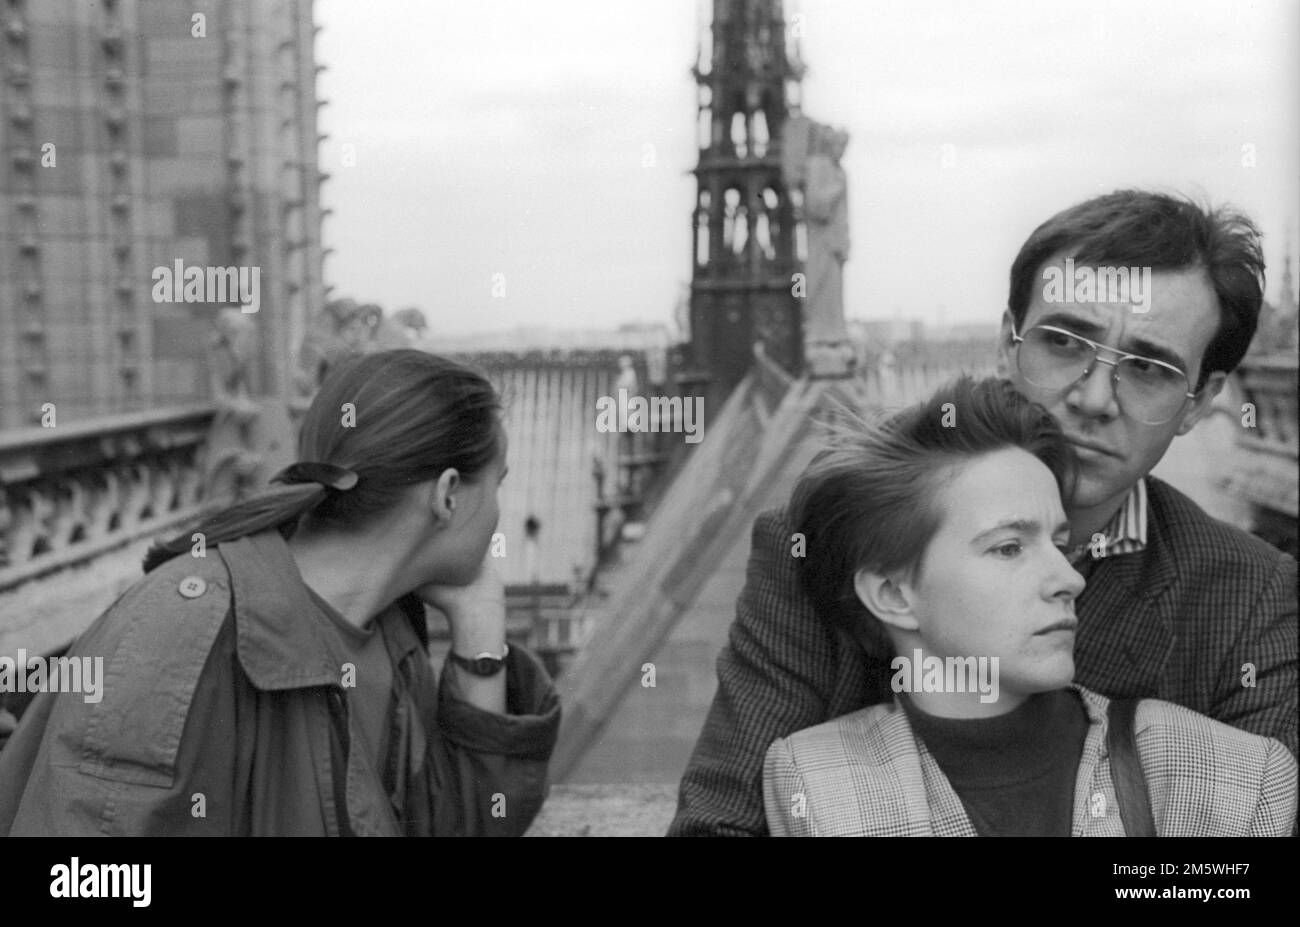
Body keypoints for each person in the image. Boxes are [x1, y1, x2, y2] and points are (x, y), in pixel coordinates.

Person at [671, 189, 1298, 836]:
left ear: (1200, 401)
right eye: (1063, 342)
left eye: (1147, 367)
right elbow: (721, 824)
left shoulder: (1248, 597)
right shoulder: (830, 539)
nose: (1092, 396)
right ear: (1007, 342)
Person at [0, 349, 560, 836]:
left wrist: (481, 624)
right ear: (448, 496)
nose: (499, 513)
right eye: (498, 484)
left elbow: (460, 826)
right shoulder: (181, 634)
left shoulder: (388, 630)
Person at [762, 376, 1296, 836]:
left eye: (1059, 544)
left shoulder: (1232, 777)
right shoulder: (813, 782)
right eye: (1009, 547)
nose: (1068, 578)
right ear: (894, 595)